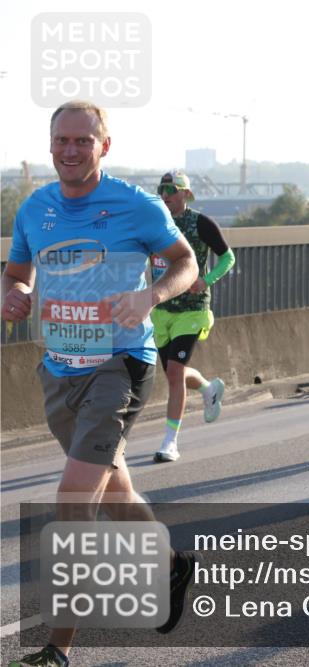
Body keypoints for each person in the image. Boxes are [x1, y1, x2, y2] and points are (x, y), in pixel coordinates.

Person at [2, 101, 201, 667]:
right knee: (116, 494)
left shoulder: (134, 206)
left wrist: (152, 295)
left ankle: (56, 649)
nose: (71, 150)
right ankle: (170, 564)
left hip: (119, 367)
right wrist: (11, 294)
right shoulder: (35, 208)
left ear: (104, 147)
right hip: (59, 371)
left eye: (83, 141)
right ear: (50, 145)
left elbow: (183, 261)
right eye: (61, 141)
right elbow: (17, 271)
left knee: (72, 504)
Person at [151, 171, 235, 463]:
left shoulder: (201, 223)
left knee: (174, 374)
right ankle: (209, 388)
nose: (165, 195)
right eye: (162, 189)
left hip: (192, 309)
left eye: (171, 190)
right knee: (174, 373)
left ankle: (170, 442)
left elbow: (228, 257)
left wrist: (206, 279)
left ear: (185, 194)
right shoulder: (155, 222)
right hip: (161, 310)